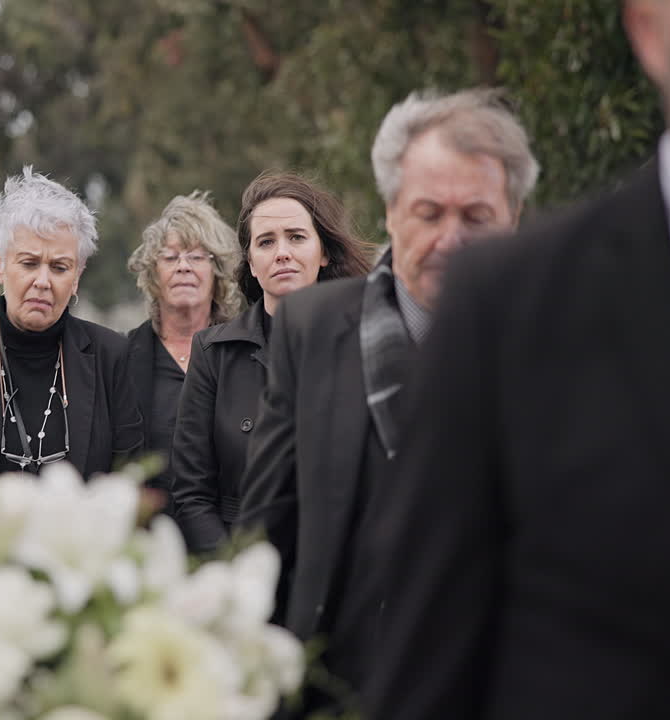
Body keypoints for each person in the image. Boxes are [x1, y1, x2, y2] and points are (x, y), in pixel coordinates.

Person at [365, 3, 670, 719]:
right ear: (649, 30)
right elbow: (433, 661)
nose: (451, 238)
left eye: (475, 216)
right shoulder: (510, 311)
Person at [238, 88, 538, 711]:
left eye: (476, 216)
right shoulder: (312, 329)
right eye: (429, 213)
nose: (450, 239)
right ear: (392, 212)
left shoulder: (561, 345)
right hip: (343, 690)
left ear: (514, 218)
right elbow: (267, 531)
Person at [171, 171, 373, 553]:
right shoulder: (214, 353)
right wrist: (234, 573)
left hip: (342, 566)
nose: (282, 252)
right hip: (244, 563)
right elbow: (192, 493)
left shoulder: (365, 342)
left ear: (323, 252)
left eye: (296, 237)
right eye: (266, 241)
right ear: (250, 261)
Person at [0, 167, 144, 479]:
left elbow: (131, 480)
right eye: (29, 263)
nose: (42, 281)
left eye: (59, 267)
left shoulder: (112, 356)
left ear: (77, 277)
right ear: (0, 264)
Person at [125, 191, 245, 504]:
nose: (183, 266)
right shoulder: (123, 357)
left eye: (197, 257)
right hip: (151, 525)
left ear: (218, 271)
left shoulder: (245, 352)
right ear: (153, 273)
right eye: (170, 257)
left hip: (229, 525)